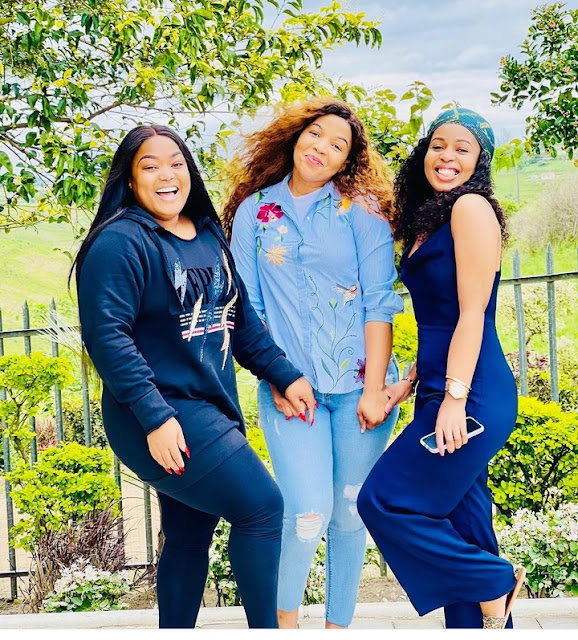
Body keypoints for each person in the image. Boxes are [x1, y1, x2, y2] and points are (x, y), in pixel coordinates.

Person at [74, 125, 317, 629]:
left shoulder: (206, 233)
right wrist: (155, 418)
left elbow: (239, 320)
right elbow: (108, 338)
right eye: (150, 166)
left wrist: (283, 373)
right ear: (130, 179)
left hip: (205, 405)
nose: (166, 174)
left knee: (188, 534)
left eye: (176, 162)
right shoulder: (120, 243)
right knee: (262, 507)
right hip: (155, 412)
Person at [224, 97, 404, 629]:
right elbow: (247, 309)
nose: (322, 148)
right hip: (291, 391)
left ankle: (337, 628)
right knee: (306, 513)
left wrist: (374, 390)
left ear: (348, 160)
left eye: (337, 144)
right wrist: (277, 376)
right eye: (316, 134)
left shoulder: (363, 213)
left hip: (362, 390)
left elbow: (380, 303)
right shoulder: (255, 213)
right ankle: (282, 625)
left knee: (348, 513)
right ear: (297, 137)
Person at [357, 107, 526, 629]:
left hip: (471, 393)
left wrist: (454, 398)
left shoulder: (471, 208)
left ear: (480, 162)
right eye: (438, 145)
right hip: (438, 386)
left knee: (384, 501)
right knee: (464, 522)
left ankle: (495, 580)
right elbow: (437, 317)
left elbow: (472, 313)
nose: (447, 156)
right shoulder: (431, 216)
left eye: (462, 148)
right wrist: (409, 383)